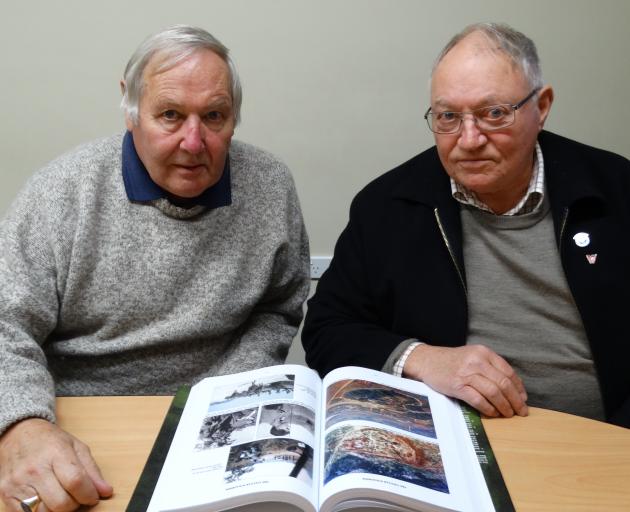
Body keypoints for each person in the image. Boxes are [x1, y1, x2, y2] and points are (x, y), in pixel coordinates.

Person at [0, 25, 310, 511]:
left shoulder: (270, 184)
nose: (194, 141)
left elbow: (279, 306)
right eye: (170, 115)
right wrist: (22, 424)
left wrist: (219, 399)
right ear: (131, 110)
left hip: (220, 417)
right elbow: (4, 324)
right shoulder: (60, 192)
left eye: (214, 116)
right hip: (78, 422)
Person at [302, 22, 630, 429]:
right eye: (448, 117)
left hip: (604, 443)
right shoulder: (387, 206)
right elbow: (326, 331)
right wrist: (420, 358)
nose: (469, 139)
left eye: (494, 114)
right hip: (451, 447)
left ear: (541, 107)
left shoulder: (616, 190)